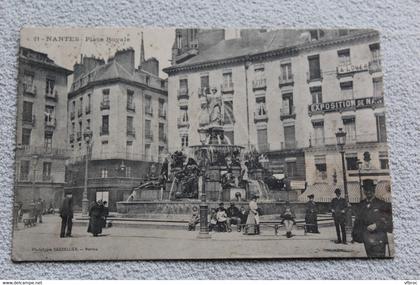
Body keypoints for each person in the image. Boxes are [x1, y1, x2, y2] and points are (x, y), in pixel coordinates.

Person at [352, 179, 393, 257]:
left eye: (370, 189)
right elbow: (358, 220)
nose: (368, 192)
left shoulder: (381, 204)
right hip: (367, 239)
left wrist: (377, 225)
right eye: (366, 190)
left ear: (374, 190)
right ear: (364, 191)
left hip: (379, 238)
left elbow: (388, 220)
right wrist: (355, 235)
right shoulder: (361, 204)